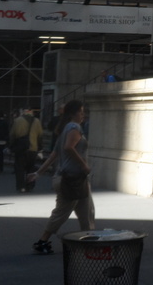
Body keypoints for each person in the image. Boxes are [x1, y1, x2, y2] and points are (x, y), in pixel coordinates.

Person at [29, 100, 94, 255]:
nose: (83, 115)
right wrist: (84, 164)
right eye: (81, 112)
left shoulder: (66, 128)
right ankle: (42, 241)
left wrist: (39, 172)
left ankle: (89, 239)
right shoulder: (74, 127)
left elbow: (54, 154)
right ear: (73, 113)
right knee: (61, 213)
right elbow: (68, 148)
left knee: (86, 211)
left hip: (76, 178)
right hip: (71, 179)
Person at [9, 108, 43, 192]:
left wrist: (11, 146)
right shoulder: (37, 121)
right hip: (33, 148)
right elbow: (40, 135)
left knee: (19, 168)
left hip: (21, 148)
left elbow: (12, 134)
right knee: (31, 167)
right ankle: (30, 185)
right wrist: (40, 148)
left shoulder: (17, 120)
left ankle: (21, 186)